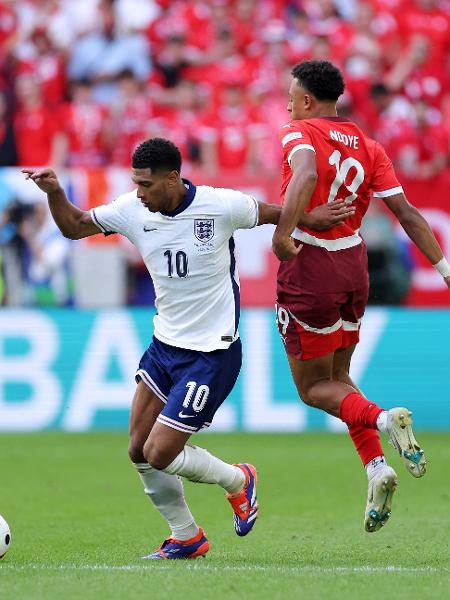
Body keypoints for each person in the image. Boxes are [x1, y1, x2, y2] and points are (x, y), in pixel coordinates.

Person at [23, 137, 354, 558]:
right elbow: (74, 227)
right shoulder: (131, 210)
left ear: (173, 178)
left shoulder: (220, 206)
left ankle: (238, 479)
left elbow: (274, 214)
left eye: (146, 184)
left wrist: (311, 218)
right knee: (137, 450)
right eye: (135, 183)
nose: (138, 193)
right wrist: (55, 192)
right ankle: (186, 536)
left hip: (212, 353)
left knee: (159, 452)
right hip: (164, 347)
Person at [272, 60, 450, 533]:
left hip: (310, 266)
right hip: (353, 265)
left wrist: (282, 234)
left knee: (313, 389)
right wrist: (444, 268)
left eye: (292, 94)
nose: (288, 102)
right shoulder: (369, 146)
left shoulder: (297, 132)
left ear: (307, 100)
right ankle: (376, 468)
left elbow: (306, 174)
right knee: (340, 377)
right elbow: (407, 213)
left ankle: (385, 418)